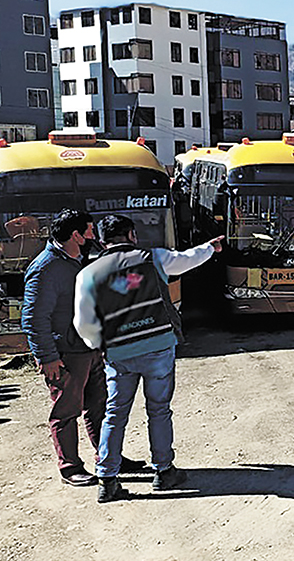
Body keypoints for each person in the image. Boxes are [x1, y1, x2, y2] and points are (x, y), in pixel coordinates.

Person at [72, 214, 222, 502]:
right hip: (158, 346)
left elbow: (84, 323)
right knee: (159, 409)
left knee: (114, 414)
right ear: (131, 235)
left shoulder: (88, 274)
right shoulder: (152, 258)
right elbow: (186, 259)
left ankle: (107, 479)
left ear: (102, 241)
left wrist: (100, 343)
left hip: (119, 353)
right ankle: (164, 471)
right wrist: (209, 248)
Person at [22, 210, 147, 486]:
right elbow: (33, 317)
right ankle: (70, 468)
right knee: (66, 411)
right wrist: (46, 356)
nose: (95, 236)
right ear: (76, 235)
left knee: (99, 406)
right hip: (65, 354)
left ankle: (109, 457)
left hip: (91, 349)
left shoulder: (81, 260)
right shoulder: (47, 268)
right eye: (90, 231)